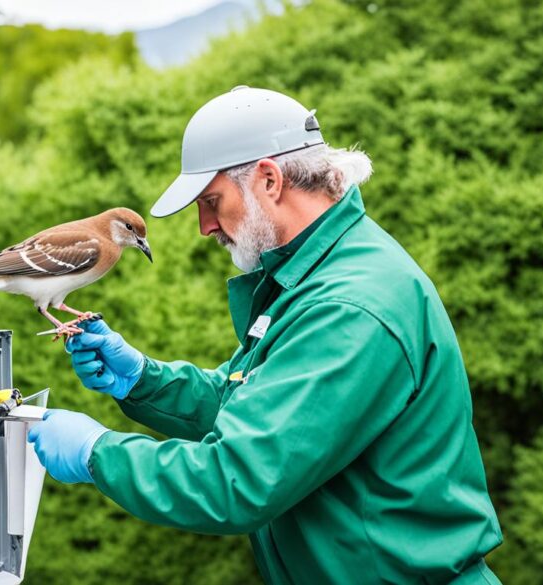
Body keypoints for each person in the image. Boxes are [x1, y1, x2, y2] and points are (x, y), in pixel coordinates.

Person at [27, 86, 503, 584]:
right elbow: (258, 407)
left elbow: (238, 480)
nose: (204, 226)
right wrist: (143, 381)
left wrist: (95, 451)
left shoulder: (349, 307)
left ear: (270, 180)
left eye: (212, 201)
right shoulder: (313, 273)